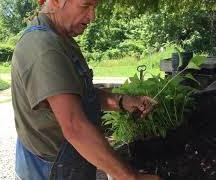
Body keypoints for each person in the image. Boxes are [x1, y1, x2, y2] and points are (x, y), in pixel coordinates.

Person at [11, 0, 162, 179]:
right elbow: (75, 127)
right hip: (50, 170)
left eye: (94, 7)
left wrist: (123, 101)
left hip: (71, 160)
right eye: (85, 6)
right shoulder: (44, 47)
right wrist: (131, 177)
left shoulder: (62, 38)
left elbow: (78, 95)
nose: (92, 16)